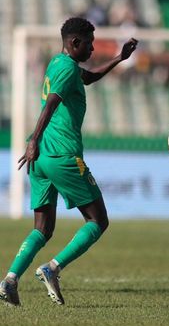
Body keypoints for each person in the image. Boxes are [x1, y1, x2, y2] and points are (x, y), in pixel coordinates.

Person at [0, 17, 138, 306]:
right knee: (98, 220)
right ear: (74, 43)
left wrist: (118, 58)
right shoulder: (65, 68)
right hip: (60, 155)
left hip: (39, 160)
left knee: (42, 228)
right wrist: (33, 139)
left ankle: (10, 280)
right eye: (89, 43)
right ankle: (52, 267)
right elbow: (51, 102)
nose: (92, 47)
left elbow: (88, 77)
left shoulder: (61, 65)